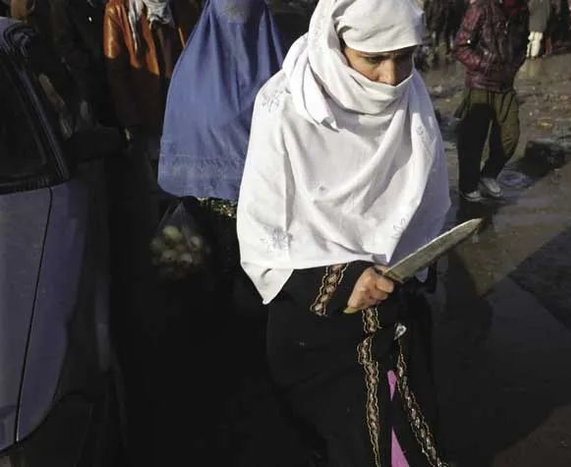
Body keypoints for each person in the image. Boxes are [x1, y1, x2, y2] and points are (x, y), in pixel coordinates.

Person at [237, 0, 451, 464]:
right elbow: (263, 235)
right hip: (320, 335)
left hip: (396, 319)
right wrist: (342, 280)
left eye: (405, 57)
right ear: (337, 44)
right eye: (373, 58)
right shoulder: (287, 107)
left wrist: (408, 265)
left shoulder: (412, 97)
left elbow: (426, 206)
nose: (391, 78)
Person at [158, 0, 284, 290]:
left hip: (263, 213)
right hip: (205, 213)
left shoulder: (282, 72)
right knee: (210, 289)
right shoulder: (192, 73)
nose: (237, 22)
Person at [103, 0, 199, 182]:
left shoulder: (182, 5)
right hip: (151, 116)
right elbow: (117, 74)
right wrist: (132, 123)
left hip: (186, 109)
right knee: (165, 178)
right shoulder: (118, 10)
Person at [453, 0, 527, 201]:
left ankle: (488, 175)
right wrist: (485, 65)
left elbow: (523, 44)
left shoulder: (522, 11)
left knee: (510, 135)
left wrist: (513, 66)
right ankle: (468, 185)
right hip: (480, 83)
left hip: (505, 85)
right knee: (473, 139)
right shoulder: (481, 8)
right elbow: (460, 46)